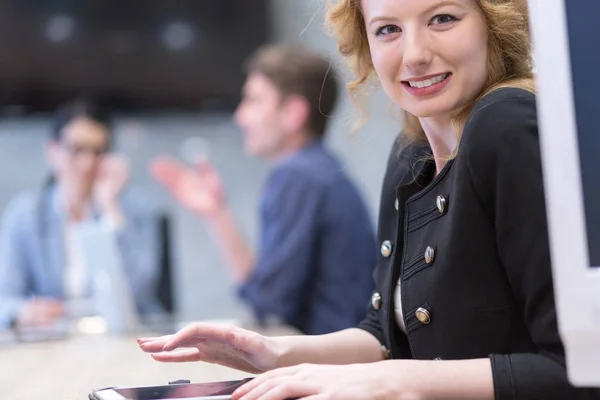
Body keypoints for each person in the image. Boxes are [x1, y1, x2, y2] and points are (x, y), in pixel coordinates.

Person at [138, 0, 600, 398]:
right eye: (388, 30)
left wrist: (390, 381)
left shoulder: (503, 123)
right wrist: (274, 353)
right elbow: (382, 335)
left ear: (492, 24)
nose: (415, 55)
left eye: (442, 19)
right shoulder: (411, 154)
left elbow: (575, 369)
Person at [151, 44, 376, 335]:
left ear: (292, 113)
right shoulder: (320, 170)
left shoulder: (298, 176)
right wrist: (216, 213)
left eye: (253, 101)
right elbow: (269, 293)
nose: (240, 117)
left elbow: (269, 305)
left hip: (334, 368)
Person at [0, 99, 164, 329]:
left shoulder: (136, 210)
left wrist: (110, 210)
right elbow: (5, 300)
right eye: (77, 149)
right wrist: (23, 312)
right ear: (53, 151)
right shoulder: (25, 215)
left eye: (98, 152)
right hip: (54, 341)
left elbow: (139, 294)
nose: (87, 163)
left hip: (126, 339)